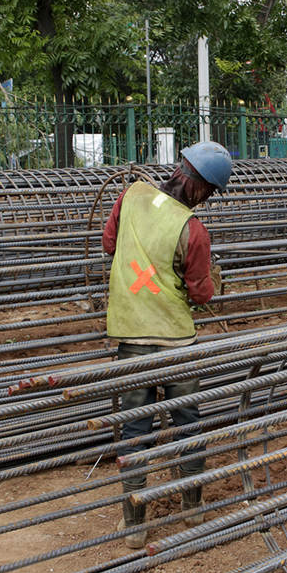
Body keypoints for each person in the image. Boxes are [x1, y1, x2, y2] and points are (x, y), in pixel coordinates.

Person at [102, 140, 231, 549]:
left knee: (135, 428)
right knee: (187, 421)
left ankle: (134, 526)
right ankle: (192, 507)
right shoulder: (192, 230)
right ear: (201, 187)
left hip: (131, 336)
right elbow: (200, 294)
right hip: (176, 341)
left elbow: (110, 246)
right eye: (210, 194)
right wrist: (213, 278)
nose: (207, 201)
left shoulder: (131, 195)